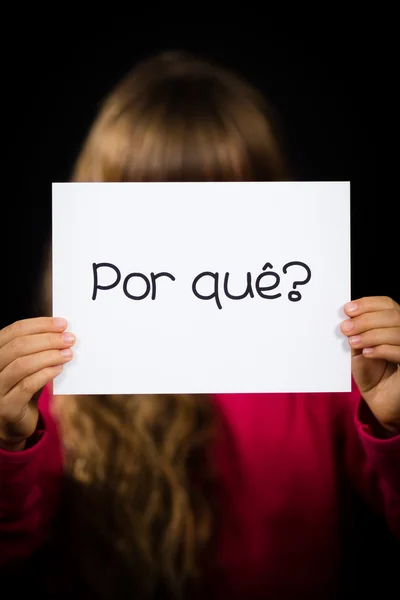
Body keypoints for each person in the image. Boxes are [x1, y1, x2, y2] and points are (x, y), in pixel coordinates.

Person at [0, 51, 399, 600]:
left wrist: (394, 426)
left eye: (225, 207)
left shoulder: (327, 376)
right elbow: (12, 551)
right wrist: (6, 441)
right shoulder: (52, 393)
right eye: (157, 210)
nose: (193, 248)